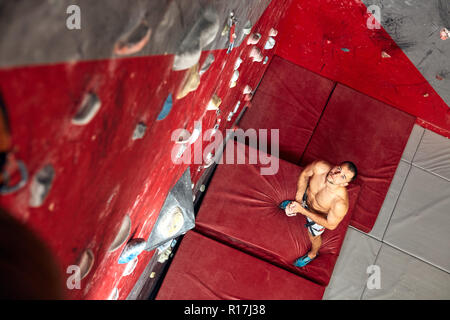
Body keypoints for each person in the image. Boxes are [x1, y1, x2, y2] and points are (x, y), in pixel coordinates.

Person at [279, 160, 357, 267]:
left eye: (342, 177)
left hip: (318, 215)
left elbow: (331, 225)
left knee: (314, 237)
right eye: (339, 169)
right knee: (299, 198)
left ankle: (312, 254)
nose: (336, 174)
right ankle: (296, 205)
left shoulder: (340, 203)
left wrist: (302, 211)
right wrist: (298, 200)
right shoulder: (320, 167)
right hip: (305, 198)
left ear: (344, 184)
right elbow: (305, 174)